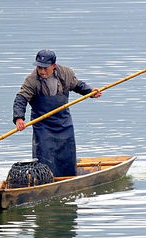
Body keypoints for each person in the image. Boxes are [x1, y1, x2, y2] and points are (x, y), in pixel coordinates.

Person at [13, 49, 101, 177]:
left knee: (67, 153)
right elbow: (21, 99)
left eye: (45, 68)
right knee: (44, 155)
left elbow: (77, 85)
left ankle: (69, 177)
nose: (42, 71)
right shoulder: (31, 80)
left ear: (53, 66)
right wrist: (19, 118)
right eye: (39, 67)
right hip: (42, 124)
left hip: (63, 121)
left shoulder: (65, 73)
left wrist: (90, 92)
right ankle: (46, 178)